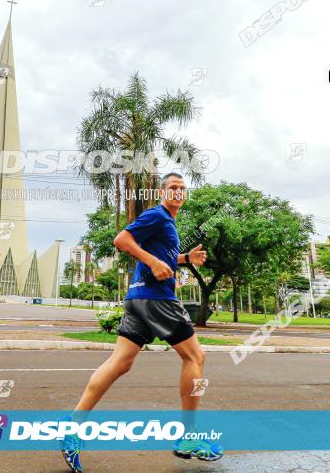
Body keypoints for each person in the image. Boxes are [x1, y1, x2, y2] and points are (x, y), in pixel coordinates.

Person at [61, 173, 222, 472]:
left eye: (182, 189)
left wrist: (184, 258)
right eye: (173, 188)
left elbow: (164, 257)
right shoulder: (157, 216)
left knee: (120, 363)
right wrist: (151, 261)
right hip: (157, 299)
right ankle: (188, 437)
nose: (178, 192)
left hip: (137, 300)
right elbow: (121, 239)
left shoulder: (167, 224)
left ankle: (73, 427)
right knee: (196, 356)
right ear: (162, 193)